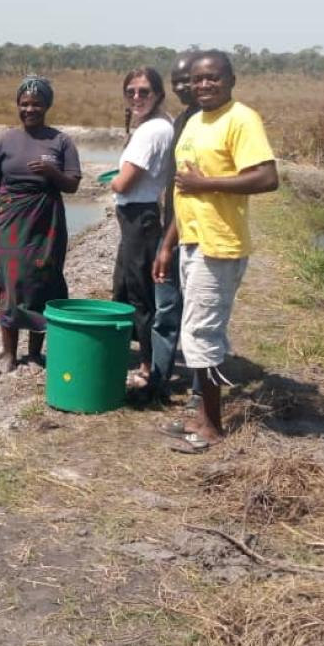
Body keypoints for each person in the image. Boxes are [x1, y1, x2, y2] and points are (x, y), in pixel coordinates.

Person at [153, 51, 278, 449]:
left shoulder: (241, 119)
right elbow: (182, 188)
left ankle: (212, 427)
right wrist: (168, 244)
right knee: (201, 331)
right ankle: (201, 415)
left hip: (219, 244)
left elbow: (266, 177)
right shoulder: (194, 122)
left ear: (231, 80)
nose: (204, 85)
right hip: (192, 240)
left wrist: (209, 185)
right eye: (198, 79)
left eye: (213, 78)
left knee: (200, 334)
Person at [0, 75, 82, 372]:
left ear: (47, 106)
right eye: (24, 104)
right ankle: (9, 353)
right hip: (10, 221)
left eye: (36, 104)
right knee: (12, 282)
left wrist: (50, 172)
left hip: (47, 222)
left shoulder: (61, 141)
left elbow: (72, 185)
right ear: (17, 105)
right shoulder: (5, 140)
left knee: (45, 281)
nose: (29, 109)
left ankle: (35, 352)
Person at [107, 67, 174, 392]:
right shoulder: (161, 124)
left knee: (139, 295)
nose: (136, 97)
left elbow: (126, 179)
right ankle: (127, 354)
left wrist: (113, 183)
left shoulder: (151, 131)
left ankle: (148, 368)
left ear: (158, 94)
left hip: (139, 217)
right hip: (140, 215)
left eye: (144, 91)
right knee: (124, 286)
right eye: (131, 91)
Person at [147, 53, 202, 403]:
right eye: (178, 80)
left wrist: (167, 243)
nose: (184, 86)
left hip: (194, 234)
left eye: (190, 79)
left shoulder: (209, 122)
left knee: (197, 319)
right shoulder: (183, 120)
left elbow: (190, 191)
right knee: (166, 311)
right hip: (173, 228)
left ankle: (201, 394)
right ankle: (159, 382)